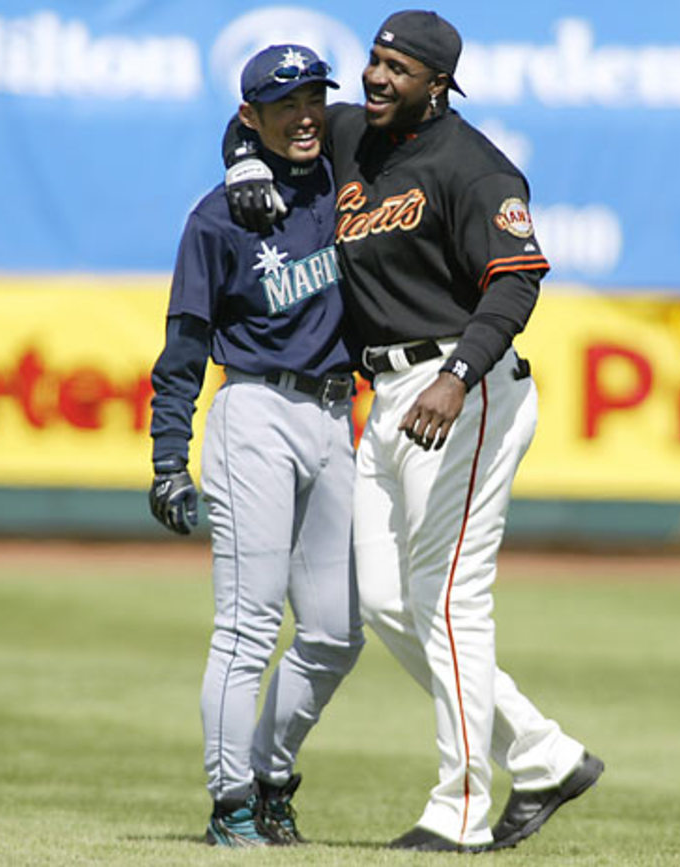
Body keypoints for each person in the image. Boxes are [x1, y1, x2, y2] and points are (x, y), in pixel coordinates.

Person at [224, 11, 603, 853]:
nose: (377, 77)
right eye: (375, 59)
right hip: (389, 394)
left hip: (465, 394)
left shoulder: (475, 168)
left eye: (400, 68)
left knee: (449, 600)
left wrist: (457, 374)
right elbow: (266, 117)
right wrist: (244, 157)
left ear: (440, 84)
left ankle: (459, 808)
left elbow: (513, 283)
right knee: (388, 602)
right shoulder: (356, 135)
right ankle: (543, 754)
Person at [147, 43, 364, 848]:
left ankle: (271, 774)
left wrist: (241, 152)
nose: (305, 114)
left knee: (337, 632)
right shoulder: (218, 216)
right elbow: (183, 347)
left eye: (313, 96)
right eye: (285, 103)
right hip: (255, 412)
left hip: (337, 415)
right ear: (251, 115)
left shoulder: (346, 181)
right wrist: (169, 454)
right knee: (247, 623)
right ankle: (230, 801)